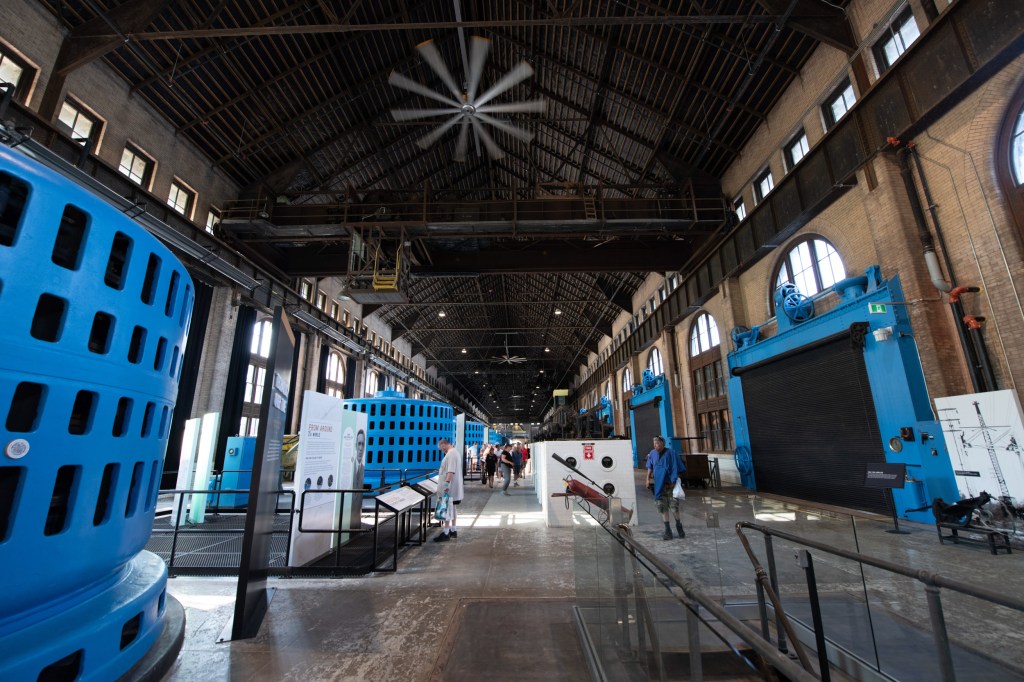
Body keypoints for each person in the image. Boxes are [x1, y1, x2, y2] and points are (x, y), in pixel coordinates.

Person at [644, 436, 685, 540]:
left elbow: (678, 467)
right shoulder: (652, 453)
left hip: (670, 485)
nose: (655, 445)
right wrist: (647, 479)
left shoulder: (671, 453)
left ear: (663, 444)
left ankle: (679, 526)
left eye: (657, 443)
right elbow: (650, 467)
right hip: (659, 485)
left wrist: (674, 480)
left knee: (674, 507)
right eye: (654, 443)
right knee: (662, 507)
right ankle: (667, 530)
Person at [434, 438, 464, 542]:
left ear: (443, 445)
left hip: (449, 487)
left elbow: (450, 472)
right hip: (454, 487)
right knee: (453, 508)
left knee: (446, 509)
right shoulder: (455, 452)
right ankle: (453, 530)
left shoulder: (451, 454)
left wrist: (446, 485)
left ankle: (446, 532)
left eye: (441, 449)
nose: (442, 451)